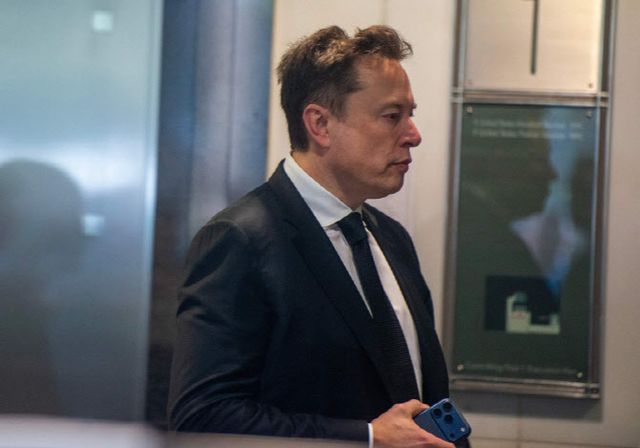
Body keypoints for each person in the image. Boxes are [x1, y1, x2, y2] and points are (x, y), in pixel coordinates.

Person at [168, 25, 459, 448]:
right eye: (392, 116)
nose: (413, 134)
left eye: (410, 114)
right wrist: (367, 437)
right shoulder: (239, 240)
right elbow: (203, 416)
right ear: (320, 124)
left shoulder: (391, 237)